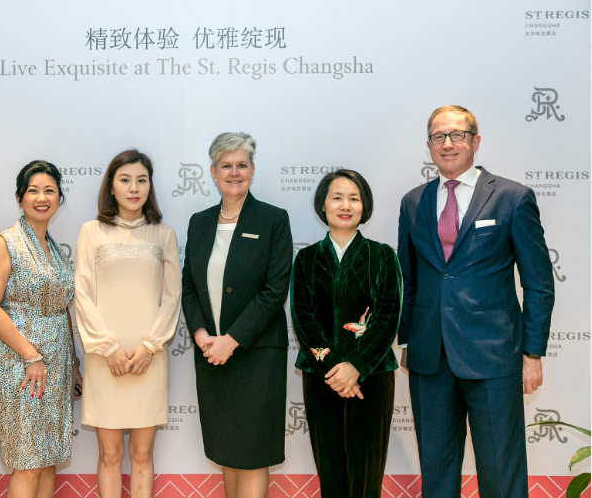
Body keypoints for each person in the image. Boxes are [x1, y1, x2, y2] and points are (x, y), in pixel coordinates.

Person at [398, 105, 555, 497]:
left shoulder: (512, 198)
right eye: (438, 137)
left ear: (475, 141)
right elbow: (408, 279)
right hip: (430, 358)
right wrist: (407, 339)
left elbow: (538, 283)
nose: (447, 144)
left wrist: (532, 353)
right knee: (436, 474)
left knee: (501, 473)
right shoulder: (413, 202)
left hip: (494, 357)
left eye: (457, 135)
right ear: (429, 146)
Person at [181, 132, 292, 498]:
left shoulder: (273, 219)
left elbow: (274, 291)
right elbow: (189, 287)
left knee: (253, 454)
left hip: (256, 354)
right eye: (226, 165)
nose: (234, 172)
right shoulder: (199, 222)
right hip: (211, 354)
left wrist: (231, 340)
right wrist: (201, 336)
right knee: (226, 450)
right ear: (213, 172)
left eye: (241, 165)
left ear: (252, 170)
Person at [74, 149, 181, 498]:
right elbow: (83, 295)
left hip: (149, 358)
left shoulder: (164, 234)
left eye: (141, 180)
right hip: (105, 358)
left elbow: (172, 297)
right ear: (111, 186)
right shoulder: (91, 231)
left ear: (150, 186)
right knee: (110, 454)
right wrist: (108, 347)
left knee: (142, 454)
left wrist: (150, 346)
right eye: (125, 180)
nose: (134, 188)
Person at [290, 170, 401, 497]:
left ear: (364, 206)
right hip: (321, 377)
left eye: (354, 199)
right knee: (331, 473)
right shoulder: (307, 258)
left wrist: (355, 366)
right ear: (323, 205)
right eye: (337, 198)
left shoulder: (383, 255)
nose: (346, 205)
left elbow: (388, 318)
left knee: (367, 476)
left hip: (372, 376)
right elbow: (303, 319)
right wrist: (334, 368)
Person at [0, 161, 81, 498]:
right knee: (28, 461)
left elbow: (61, 309)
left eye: (49, 191)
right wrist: (31, 356)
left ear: (59, 198)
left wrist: (73, 364)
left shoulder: (54, 248)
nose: (42, 197)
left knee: (48, 457)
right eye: (33, 190)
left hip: (56, 363)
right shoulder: (5, 242)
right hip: (21, 363)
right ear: (20, 197)